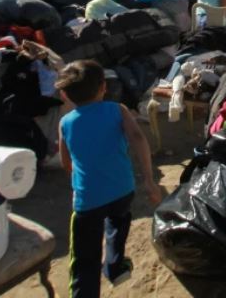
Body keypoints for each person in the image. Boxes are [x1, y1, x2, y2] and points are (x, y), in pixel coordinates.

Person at [56, 60, 162, 298]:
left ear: (65, 94)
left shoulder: (66, 123)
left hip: (88, 199)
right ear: (103, 87)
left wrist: (79, 180)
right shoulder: (118, 110)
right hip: (123, 189)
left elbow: (66, 162)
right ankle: (115, 265)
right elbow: (137, 138)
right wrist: (149, 179)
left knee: (84, 257)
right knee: (118, 223)